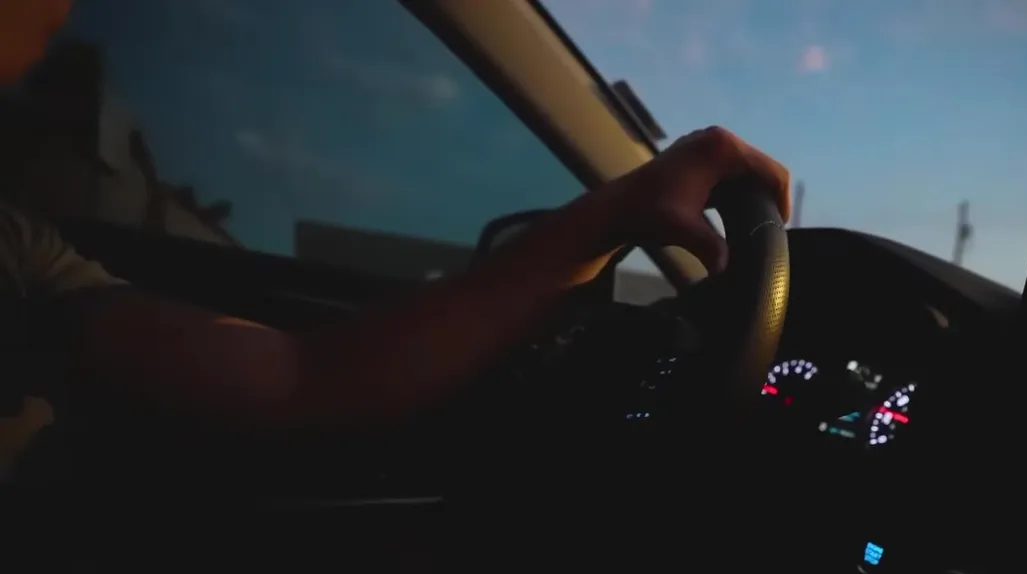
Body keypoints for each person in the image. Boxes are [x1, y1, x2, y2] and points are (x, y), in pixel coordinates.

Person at [0, 0, 791, 476]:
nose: (63, 10)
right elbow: (304, 383)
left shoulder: (24, 253)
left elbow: (299, 380)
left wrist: (611, 211)